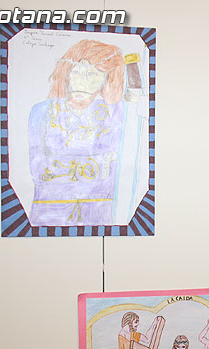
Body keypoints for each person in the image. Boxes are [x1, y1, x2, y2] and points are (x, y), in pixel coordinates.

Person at [27, 39, 129, 226]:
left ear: (107, 79)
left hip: (99, 212)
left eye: (93, 74)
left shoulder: (116, 113)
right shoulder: (42, 111)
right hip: (49, 211)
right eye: (77, 72)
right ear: (66, 72)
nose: (83, 81)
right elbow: (37, 170)